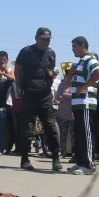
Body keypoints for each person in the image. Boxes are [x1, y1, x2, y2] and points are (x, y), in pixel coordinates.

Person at [14, 27, 62, 171]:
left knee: (51, 127)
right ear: (36, 38)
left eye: (48, 39)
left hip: (45, 96)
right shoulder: (26, 51)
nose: (45, 41)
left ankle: (55, 158)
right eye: (43, 39)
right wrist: (22, 88)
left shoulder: (51, 53)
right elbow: (17, 71)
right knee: (27, 129)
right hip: (29, 95)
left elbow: (51, 73)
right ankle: (24, 159)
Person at [67, 36, 99, 175]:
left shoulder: (90, 59)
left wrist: (84, 87)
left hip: (86, 103)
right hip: (77, 103)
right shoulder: (80, 62)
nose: (72, 49)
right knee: (79, 134)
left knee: (86, 134)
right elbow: (70, 82)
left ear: (83, 46)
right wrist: (70, 75)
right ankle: (81, 161)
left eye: (74, 46)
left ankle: (89, 164)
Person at [54, 69, 75, 158]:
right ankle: (61, 152)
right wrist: (71, 97)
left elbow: (77, 96)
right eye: (68, 75)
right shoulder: (61, 85)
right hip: (62, 113)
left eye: (72, 75)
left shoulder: (77, 85)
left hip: (74, 113)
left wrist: (65, 95)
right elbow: (57, 97)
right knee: (62, 134)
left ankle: (74, 153)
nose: (70, 77)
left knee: (74, 134)